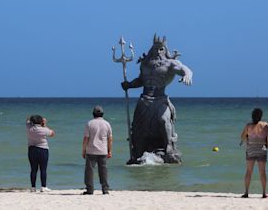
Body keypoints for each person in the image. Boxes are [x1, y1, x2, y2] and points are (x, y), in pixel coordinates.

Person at [121, 34, 193, 164]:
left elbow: (183, 68)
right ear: (151, 49)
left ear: (165, 50)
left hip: (160, 100)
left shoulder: (170, 63)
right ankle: (138, 153)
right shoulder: (145, 64)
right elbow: (141, 80)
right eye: (156, 49)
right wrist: (130, 85)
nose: (159, 52)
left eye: (162, 49)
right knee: (138, 127)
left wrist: (188, 75)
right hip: (145, 100)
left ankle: (169, 149)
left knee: (164, 120)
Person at [239, 108, 268, 198]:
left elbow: (242, 137)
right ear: (261, 116)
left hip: (250, 150)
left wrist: (247, 137)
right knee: (262, 172)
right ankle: (264, 193)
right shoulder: (265, 125)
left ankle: (246, 193)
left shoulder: (248, 125)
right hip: (262, 150)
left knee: (249, 171)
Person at [82, 105, 113, 195]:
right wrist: (109, 151)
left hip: (91, 150)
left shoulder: (90, 123)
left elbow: (86, 139)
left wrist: (83, 150)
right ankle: (105, 189)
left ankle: (90, 189)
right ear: (102, 114)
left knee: (89, 171)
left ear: (93, 114)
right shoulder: (107, 124)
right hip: (103, 150)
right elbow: (110, 139)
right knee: (103, 171)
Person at [26, 114, 55, 192]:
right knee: (43, 169)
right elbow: (52, 134)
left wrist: (32, 119)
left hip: (32, 149)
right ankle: (43, 186)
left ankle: (33, 187)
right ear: (41, 122)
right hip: (43, 149)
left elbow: (27, 119)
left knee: (33, 169)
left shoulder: (29, 127)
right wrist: (45, 125)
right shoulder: (44, 129)